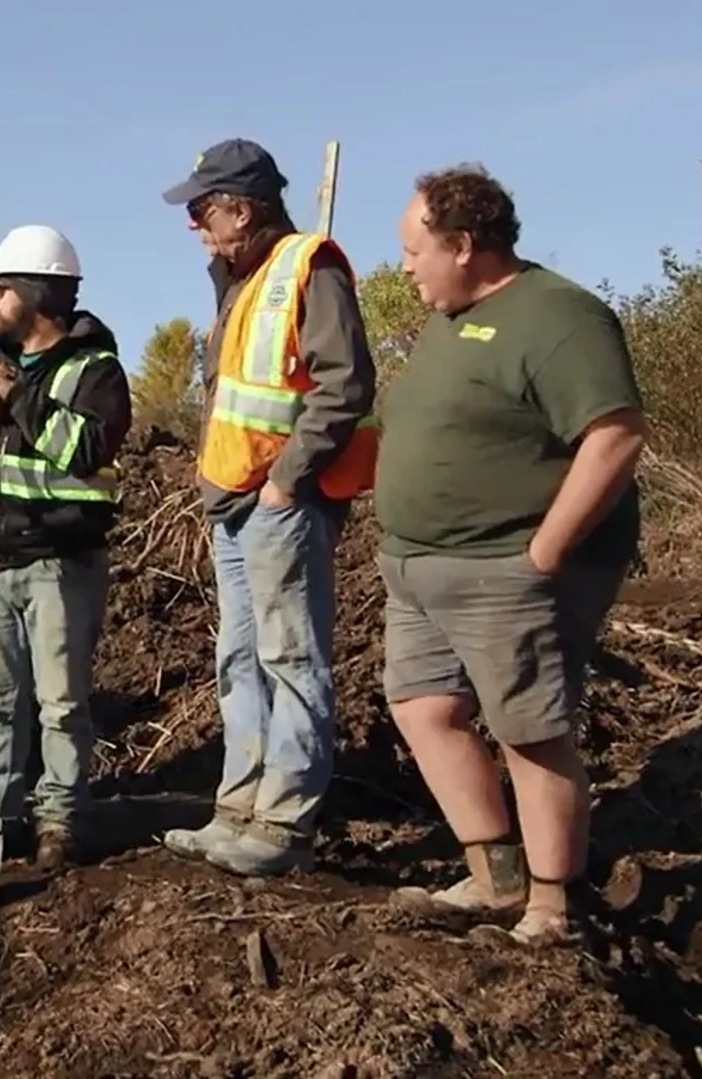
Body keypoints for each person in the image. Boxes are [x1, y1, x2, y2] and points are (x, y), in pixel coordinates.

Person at [377, 165, 647, 945]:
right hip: (420, 568)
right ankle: (496, 876)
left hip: (505, 567)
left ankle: (552, 906)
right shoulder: (449, 319)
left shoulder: (559, 316)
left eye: (411, 249)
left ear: (462, 244)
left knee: (528, 729)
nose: (403, 266)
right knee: (425, 707)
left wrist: (544, 550)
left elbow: (617, 433)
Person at [154, 139, 381, 876]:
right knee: (240, 657)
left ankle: (283, 823)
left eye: (201, 210)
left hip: (280, 500)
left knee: (290, 656)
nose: (193, 225)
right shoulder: (243, 280)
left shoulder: (306, 268)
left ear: (240, 208)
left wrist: (287, 479)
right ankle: (239, 808)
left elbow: (343, 385)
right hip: (234, 500)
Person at [0, 226, 131, 873]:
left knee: (62, 705)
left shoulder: (94, 372)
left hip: (60, 563)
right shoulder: (0, 375)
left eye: (1, 290)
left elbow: (81, 449)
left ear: (34, 294)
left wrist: (18, 399)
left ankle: (60, 818)